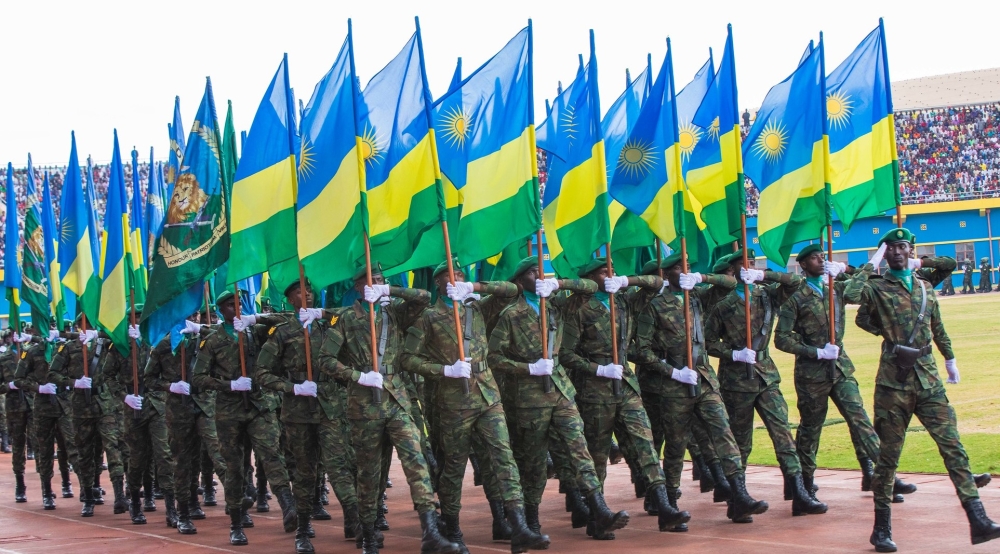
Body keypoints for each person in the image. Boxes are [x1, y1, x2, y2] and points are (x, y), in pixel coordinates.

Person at [857, 229, 1000, 551]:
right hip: (893, 382)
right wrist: (872, 264)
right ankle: (881, 528)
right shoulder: (877, 287)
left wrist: (950, 358)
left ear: (910, 251)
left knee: (953, 447)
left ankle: (977, 519)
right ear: (885, 253)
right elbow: (854, 303)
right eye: (890, 248)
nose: (896, 252)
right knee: (888, 459)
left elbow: (937, 326)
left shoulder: (924, 286)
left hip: (929, 380)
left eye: (902, 247)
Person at [401, 259, 550, 553]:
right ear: (437, 283)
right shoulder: (428, 318)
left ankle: (518, 525)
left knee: (503, 458)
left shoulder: (478, 307)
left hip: (488, 396)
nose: (455, 279)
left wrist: (475, 287)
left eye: (459, 274)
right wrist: (443, 370)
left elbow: (511, 289)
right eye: (448, 276)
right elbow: (407, 359)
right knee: (454, 466)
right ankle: (453, 529)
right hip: (454, 401)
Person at [318, 263, 457, 554]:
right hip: (364, 405)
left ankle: (430, 531)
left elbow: (422, 297)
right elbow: (326, 360)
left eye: (379, 279)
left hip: (397, 399)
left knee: (416, 460)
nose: (375, 284)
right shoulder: (346, 319)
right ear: (357, 287)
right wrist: (358, 375)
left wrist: (389, 290)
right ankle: (368, 534)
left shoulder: (394, 311)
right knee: (370, 473)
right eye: (370, 281)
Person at [488, 256, 630, 539]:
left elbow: (588, 287)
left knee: (580, 450)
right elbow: (493, 357)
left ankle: (598, 508)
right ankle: (531, 521)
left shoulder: (556, 307)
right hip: (529, 399)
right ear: (519, 282)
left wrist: (558, 283)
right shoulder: (511, 315)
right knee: (534, 464)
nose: (539, 276)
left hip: (561, 392)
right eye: (532, 272)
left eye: (542, 271)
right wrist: (527, 368)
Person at [774, 244, 915, 506]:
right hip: (812, 374)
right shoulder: (796, 298)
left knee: (860, 419)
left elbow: (856, 291)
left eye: (823, 257)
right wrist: (815, 352)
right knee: (810, 430)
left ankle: (886, 476)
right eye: (815, 258)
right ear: (803, 265)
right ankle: (803, 487)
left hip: (840, 368)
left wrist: (849, 270)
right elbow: (781, 339)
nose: (821, 260)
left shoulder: (835, 289)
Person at [559, 257, 690, 536]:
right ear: (589, 276)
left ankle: (664, 506)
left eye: (613, 269)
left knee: (646, 445)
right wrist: (598, 369)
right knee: (596, 453)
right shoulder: (579, 308)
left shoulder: (623, 301)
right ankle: (598, 516)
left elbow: (656, 283)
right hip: (595, 390)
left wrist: (625, 281)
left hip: (626, 385)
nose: (611, 274)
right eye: (604, 271)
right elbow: (566, 354)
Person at [705, 250, 827, 517]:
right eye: (744, 264)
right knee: (741, 442)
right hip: (737, 379)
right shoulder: (723, 306)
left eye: (753, 263)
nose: (750, 266)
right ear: (733, 270)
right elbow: (709, 342)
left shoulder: (767, 294)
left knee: (782, 433)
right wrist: (733, 353)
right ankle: (737, 500)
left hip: (766, 375)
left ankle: (799, 494)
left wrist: (763, 275)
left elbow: (793, 282)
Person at [191, 290, 296, 546]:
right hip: (229, 412)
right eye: (230, 305)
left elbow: (288, 320)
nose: (236, 308)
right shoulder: (213, 340)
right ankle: (236, 523)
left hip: (259, 406)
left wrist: (256, 318)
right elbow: (198, 378)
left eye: (240, 303)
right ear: (220, 310)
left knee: (272, 455)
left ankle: (288, 505)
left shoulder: (257, 332)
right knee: (235, 467)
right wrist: (229, 385)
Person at [257, 278, 349, 554]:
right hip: (298, 412)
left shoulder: (327, 324)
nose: (306, 294)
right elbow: (262, 373)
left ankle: (358, 523)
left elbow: (353, 314)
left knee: (339, 466)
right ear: (290, 299)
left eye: (308, 289)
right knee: (305, 472)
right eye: (299, 291)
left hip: (329, 407)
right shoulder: (282, 333)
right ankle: (302, 528)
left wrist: (323, 313)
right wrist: (292, 387)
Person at [144, 311, 228, 535]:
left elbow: (226, 335)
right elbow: (149, 378)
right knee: (183, 462)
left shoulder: (205, 338)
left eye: (196, 313)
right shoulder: (164, 344)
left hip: (205, 405)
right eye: (188, 313)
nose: (193, 317)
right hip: (178, 409)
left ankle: (236, 497)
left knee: (217, 450)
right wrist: (170, 386)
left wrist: (200, 329)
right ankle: (183, 512)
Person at [48, 326, 128, 517]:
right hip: (81, 405)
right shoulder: (69, 348)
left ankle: (119, 495)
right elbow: (52, 374)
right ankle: (89, 497)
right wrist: (74, 383)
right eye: (86, 326)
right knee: (85, 452)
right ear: (79, 327)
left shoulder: (106, 343)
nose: (89, 329)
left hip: (104, 404)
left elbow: (121, 336)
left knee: (112, 447)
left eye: (92, 326)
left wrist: (99, 335)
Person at [14, 329, 80, 510]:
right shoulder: (33, 352)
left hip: (64, 405)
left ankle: (83, 487)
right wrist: (39, 388)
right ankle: (47, 492)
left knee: (71, 446)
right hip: (43, 408)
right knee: (44, 450)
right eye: (47, 327)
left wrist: (68, 383)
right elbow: (19, 379)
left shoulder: (64, 349)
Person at [2, 330, 32, 503]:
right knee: (18, 445)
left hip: (34, 404)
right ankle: (20, 484)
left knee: (42, 446)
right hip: (14, 406)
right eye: (12, 334)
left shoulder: (32, 352)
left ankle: (47, 488)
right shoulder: (3, 358)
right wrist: (9, 386)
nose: (15, 337)